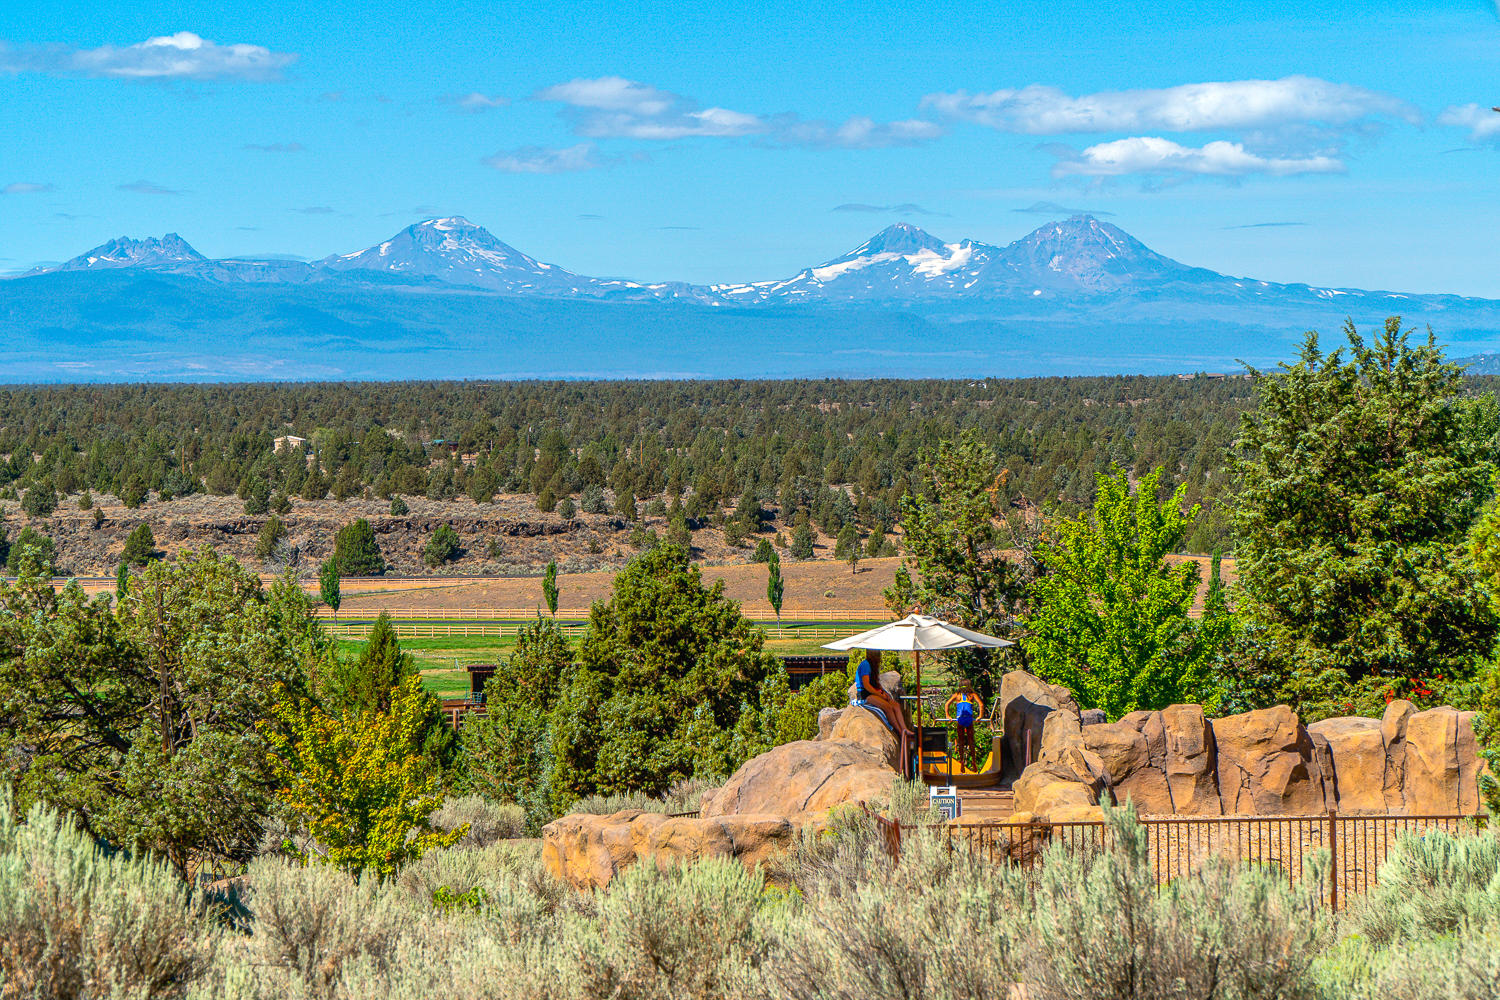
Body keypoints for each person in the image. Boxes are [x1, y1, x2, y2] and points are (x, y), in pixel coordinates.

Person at [852, 649, 915, 776]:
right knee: (887, 707)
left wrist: (884, 693)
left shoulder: (874, 667)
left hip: (873, 691)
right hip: (865, 694)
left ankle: (904, 728)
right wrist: (880, 695)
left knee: (895, 705)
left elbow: (876, 684)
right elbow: (867, 686)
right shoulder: (865, 665)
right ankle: (899, 730)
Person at [945, 684, 985, 768]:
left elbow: (947, 704)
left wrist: (948, 715)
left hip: (960, 719)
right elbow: (981, 705)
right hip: (969, 719)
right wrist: (980, 716)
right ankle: (974, 761)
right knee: (971, 741)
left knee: (961, 741)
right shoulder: (972, 695)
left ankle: (962, 761)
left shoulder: (957, 695)